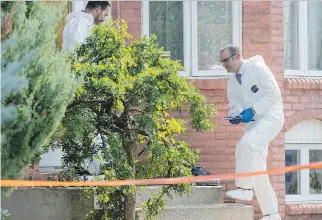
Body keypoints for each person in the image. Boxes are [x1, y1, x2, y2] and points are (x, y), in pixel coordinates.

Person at [220, 45, 284, 220]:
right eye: (221, 62)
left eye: (225, 60)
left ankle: (245, 189)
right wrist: (235, 115)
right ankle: (272, 214)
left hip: (271, 118)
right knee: (258, 168)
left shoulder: (257, 68)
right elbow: (234, 104)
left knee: (245, 145)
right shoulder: (232, 82)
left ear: (237, 56)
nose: (223, 65)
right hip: (253, 126)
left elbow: (274, 94)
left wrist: (253, 110)